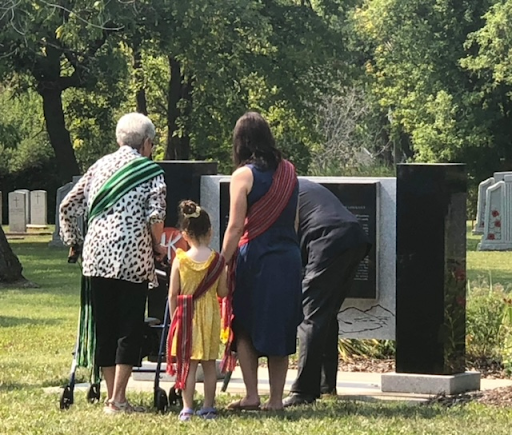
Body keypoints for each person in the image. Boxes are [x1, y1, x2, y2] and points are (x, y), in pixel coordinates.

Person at [59, 112, 167, 414]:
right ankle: (118, 399)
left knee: (104, 325)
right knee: (129, 326)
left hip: (96, 257)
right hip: (132, 258)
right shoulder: (150, 171)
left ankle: (111, 395)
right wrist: (157, 245)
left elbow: (68, 205)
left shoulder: (98, 166)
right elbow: (155, 217)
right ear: (146, 143)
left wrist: (75, 241)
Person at [221, 111, 302, 411]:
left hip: (256, 257)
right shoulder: (290, 172)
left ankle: (252, 394)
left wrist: (220, 263)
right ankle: (277, 399)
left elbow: (235, 226)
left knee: (243, 324)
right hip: (288, 257)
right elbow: (294, 222)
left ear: (240, 142)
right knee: (280, 327)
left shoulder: (243, 175)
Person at [282, 178, 371, 407]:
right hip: (354, 237)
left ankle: (303, 391)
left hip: (327, 240)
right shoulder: (299, 185)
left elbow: (287, 236)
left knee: (310, 315)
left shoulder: (281, 191)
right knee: (326, 314)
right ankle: (325, 384)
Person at [166, 200, 228, 421]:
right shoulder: (218, 261)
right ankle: (209, 406)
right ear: (210, 231)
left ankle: (187, 407)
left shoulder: (180, 260)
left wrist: (176, 318)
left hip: (186, 316)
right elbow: (223, 291)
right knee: (209, 365)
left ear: (184, 234)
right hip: (210, 316)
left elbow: (173, 293)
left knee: (189, 365)